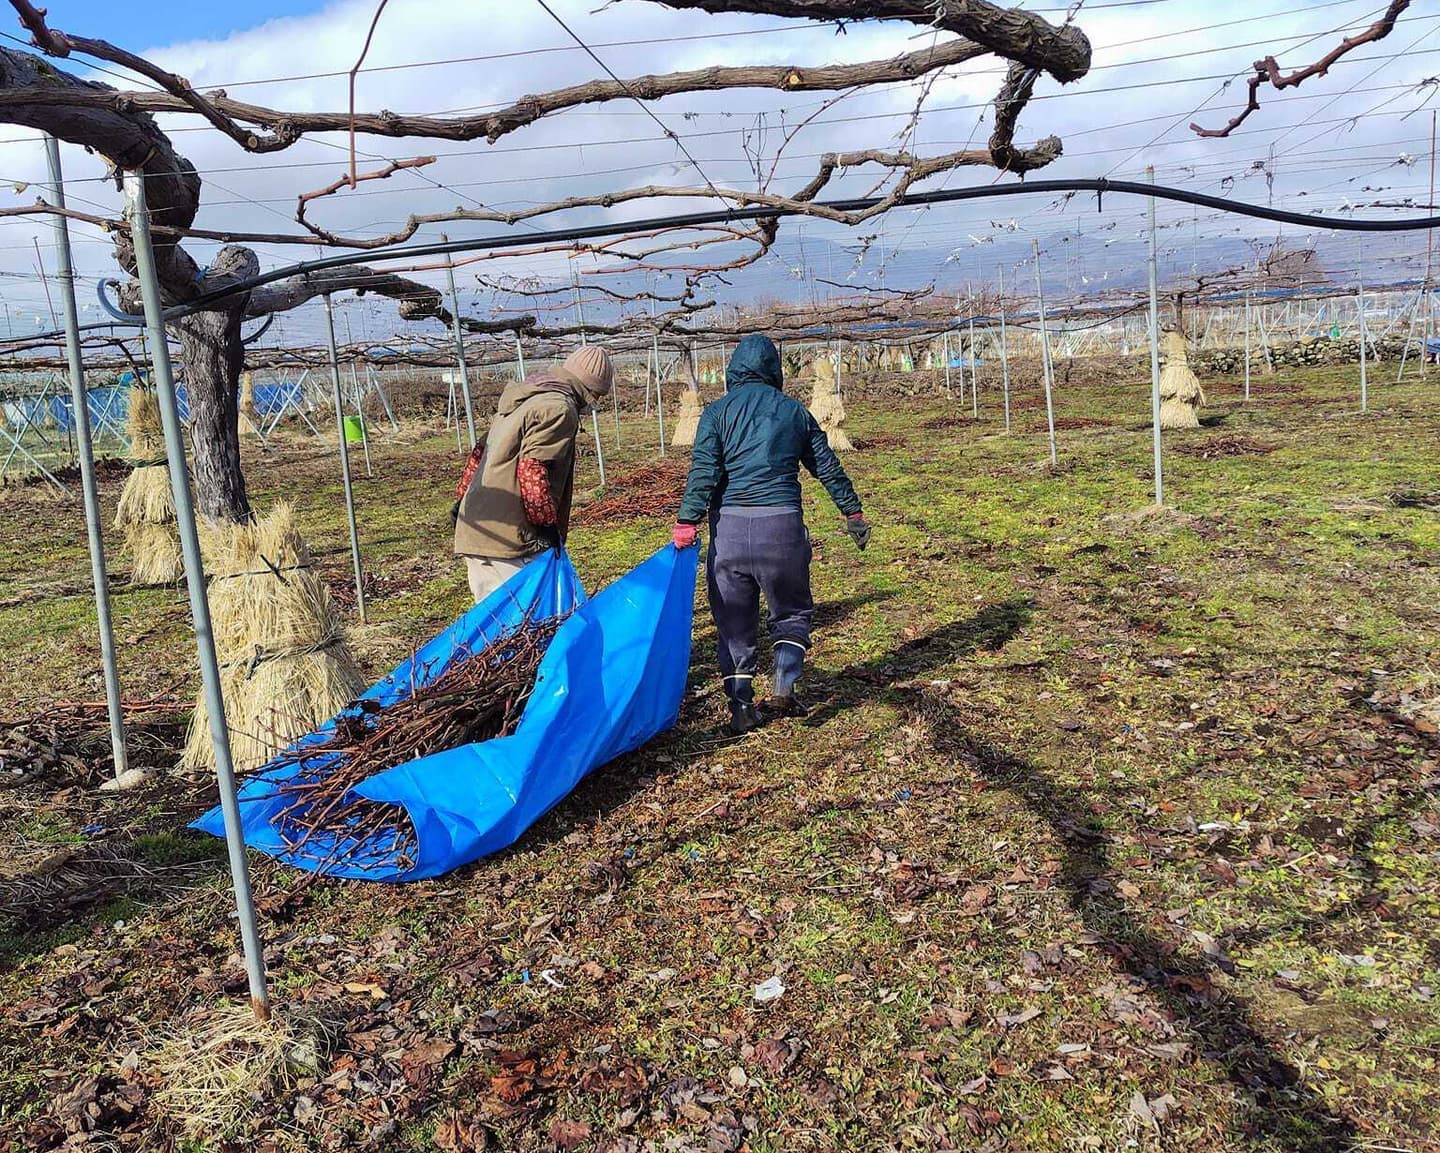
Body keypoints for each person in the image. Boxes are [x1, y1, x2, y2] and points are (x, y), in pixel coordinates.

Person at [672, 334, 871, 735]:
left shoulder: (717, 414)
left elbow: (704, 472)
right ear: (774, 370)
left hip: (728, 532)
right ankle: (784, 681)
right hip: (781, 529)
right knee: (792, 612)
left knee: (733, 622)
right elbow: (826, 467)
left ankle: (742, 709)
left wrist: (686, 521)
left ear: (734, 370)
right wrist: (853, 512)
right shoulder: (795, 413)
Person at [453, 345, 614, 603]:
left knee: (492, 621)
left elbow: (479, 452)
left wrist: (462, 501)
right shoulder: (559, 408)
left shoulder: (523, 398)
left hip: (475, 527)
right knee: (523, 620)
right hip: (510, 539)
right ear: (591, 390)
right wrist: (546, 525)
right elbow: (532, 468)